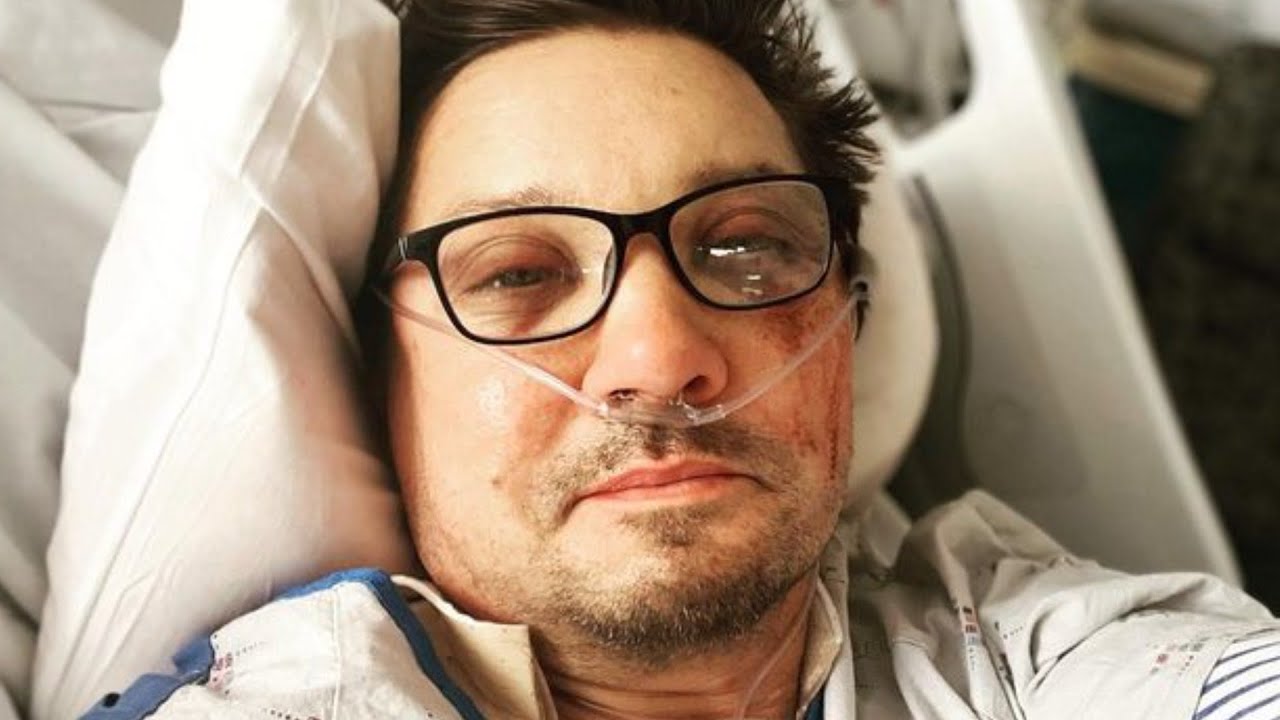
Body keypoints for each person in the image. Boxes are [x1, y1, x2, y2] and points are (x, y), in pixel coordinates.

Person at [84, 1, 1279, 718]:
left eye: (746, 249)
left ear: (843, 326)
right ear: (382, 377)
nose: (658, 360)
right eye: (517, 273)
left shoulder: (1032, 657)